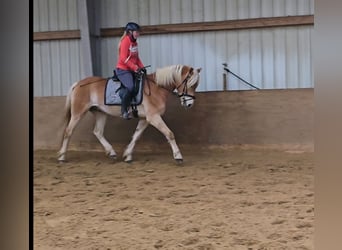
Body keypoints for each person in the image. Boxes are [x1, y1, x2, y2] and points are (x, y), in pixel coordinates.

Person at [115, 22, 145, 120]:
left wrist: (142, 67)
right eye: (136, 32)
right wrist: (135, 67)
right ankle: (124, 110)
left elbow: (137, 58)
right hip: (123, 70)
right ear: (130, 32)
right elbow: (123, 58)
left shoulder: (135, 43)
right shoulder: (125, 41)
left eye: (138, 32)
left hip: (131, 69)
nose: (138, 34)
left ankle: (134, 108)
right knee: (131, 87)